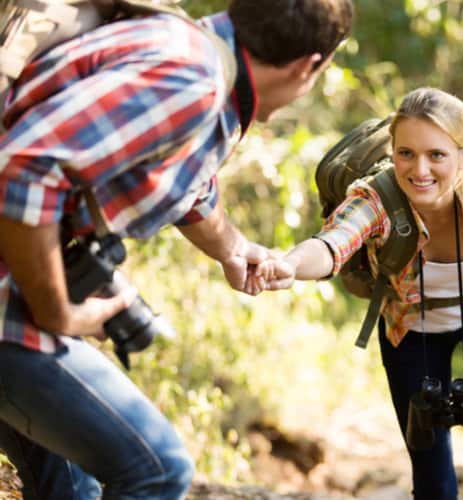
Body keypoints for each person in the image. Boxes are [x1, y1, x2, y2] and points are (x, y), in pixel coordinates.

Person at [0, 0, 353, 497]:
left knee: (71, 488)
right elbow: (26, 168)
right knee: (159, 469)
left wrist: (232, 246)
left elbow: (180, 179)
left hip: (16, 278)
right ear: (308, 66)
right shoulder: (191, 78)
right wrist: (57, 311)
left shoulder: (192, 52)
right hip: (10, 301)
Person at [250, 87, 463, 500]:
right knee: (432, 476)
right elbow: (332, 242)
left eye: (436, 155)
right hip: (412, 324)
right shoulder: (377, 197)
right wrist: (289, 265)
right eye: (406, 153)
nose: (419, 170)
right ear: (393, 151)